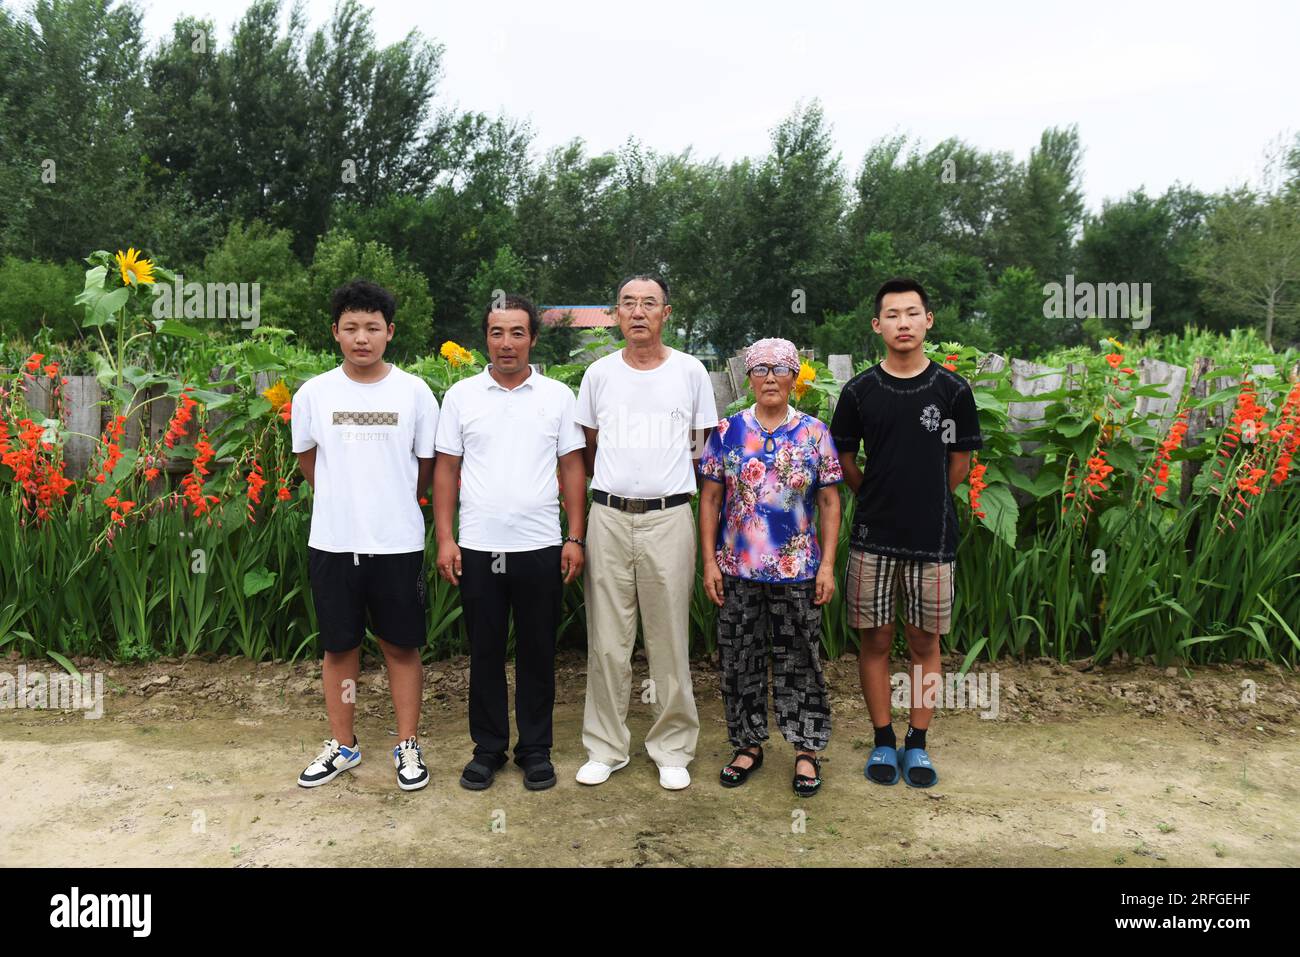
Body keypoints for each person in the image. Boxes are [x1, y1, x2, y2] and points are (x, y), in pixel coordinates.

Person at [830, 277, 983, 789]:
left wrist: (929, 497)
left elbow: (959, 463)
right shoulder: (859, 392)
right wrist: (873, 494)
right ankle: (882, 738)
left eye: (912, 313)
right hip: (872, 536)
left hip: (932, 539)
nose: (903, 323)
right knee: (874, 640)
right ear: (877, 325)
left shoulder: (953, 391)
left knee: (924, 640)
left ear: (928, 321)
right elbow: (844, 458)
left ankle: (916, 743)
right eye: (892, 315)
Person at [433, 295, 587, 791]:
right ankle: (488, 749)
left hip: (540, 545)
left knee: (538, 651)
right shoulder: (461, 397)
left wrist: (575, 536)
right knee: (485, 651)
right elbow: (446, 469)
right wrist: (445, 538)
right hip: (480, 547)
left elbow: (572, 467)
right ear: (486, 339)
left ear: (533, 339)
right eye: (497, 332)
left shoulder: (557, 397)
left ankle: (535, 750)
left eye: (517, 332)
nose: (506, 343)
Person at [291, 279, 439, 792]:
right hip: (334, 541)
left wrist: (390, 502)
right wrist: (343, 500)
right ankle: (344, 744)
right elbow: (308, 459)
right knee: (339, 648)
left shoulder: (414, 392)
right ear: (335, 331)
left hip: (397, 543)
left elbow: (425, 465)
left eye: (372, 328)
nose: (361, 338)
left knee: (401, 646)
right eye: (351, 327)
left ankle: (407, 743)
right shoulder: (314, 393)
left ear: (389, 332)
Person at [573, 274, 718, 790]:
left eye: (649, 303)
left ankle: (672, 746)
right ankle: (606, 747)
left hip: (669, 516)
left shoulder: (690, 371)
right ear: (616, 313)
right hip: (608, 516)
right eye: (628, 303)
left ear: (666, 313)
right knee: (607, 639)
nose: (638, 312)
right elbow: (590, 446)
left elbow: (702, 449)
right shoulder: (599, 374)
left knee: (669, 636)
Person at [698, 337, 843, 797]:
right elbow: (711, 499)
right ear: (749, 378)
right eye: (760, 369)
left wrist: (827, 566)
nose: (770, 378)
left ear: (795, 377)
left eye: (780, 369)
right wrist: (709, 563)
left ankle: (806, 749)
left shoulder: (815, 433)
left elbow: (829, 501)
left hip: (797, 569)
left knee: (801, 659)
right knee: (739, 658)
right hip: (737, 568)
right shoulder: (727, 431)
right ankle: (747, 745)